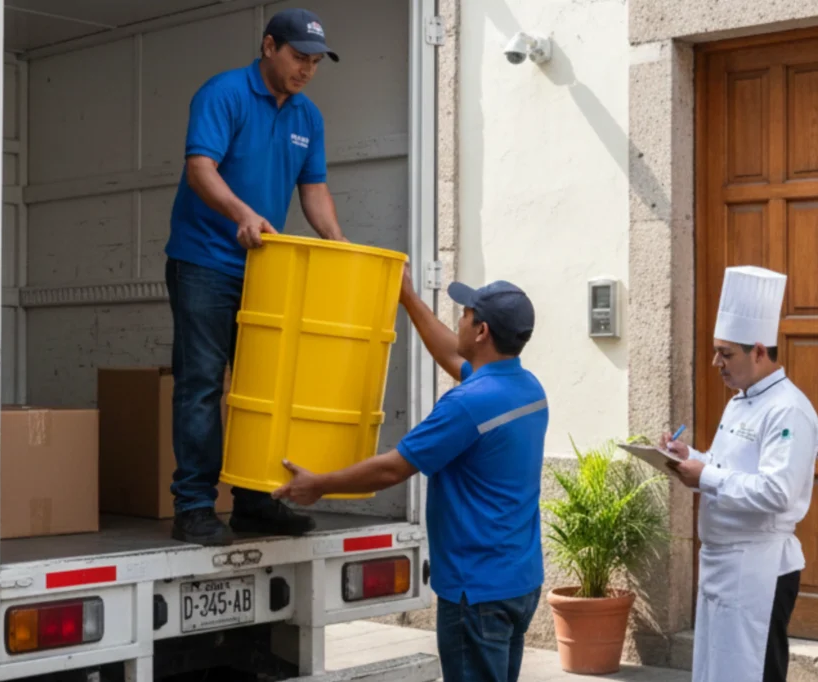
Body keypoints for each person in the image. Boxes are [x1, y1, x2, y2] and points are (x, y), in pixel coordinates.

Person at [274, 270, 548, 682]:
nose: (459, 321)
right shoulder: (527, 389)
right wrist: (409, 299)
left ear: (482, 331)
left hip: (475, 590)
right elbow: (453, 358)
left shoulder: (467, 405)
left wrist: (319, 484)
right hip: (517, 580)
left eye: (464, 315)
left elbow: (392, 468)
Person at [164, 8, 346, 546]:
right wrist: (242, 214)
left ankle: (253, 501)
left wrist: (336, 243)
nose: (306, 69)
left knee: (261, 390)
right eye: (298, 57)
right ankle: (194, 507)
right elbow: (201, 169)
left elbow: (312, 189)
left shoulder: (308, 117)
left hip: (266, 268)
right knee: (201, 385)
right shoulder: (223, 94)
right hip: (204, 262)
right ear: (269, 46)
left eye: (315, 62)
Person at [661, 265, 818, 682]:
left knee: (752, 671)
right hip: (721, 561)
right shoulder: (741, 400)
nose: (717, 362)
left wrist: (705, 477)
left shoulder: (788, 410)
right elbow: (730, 466)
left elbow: (776, 491)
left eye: (726, 353)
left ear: (760, 351)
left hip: (758, 566)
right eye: (717, 351)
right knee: (718, 669)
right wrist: (689, 455)